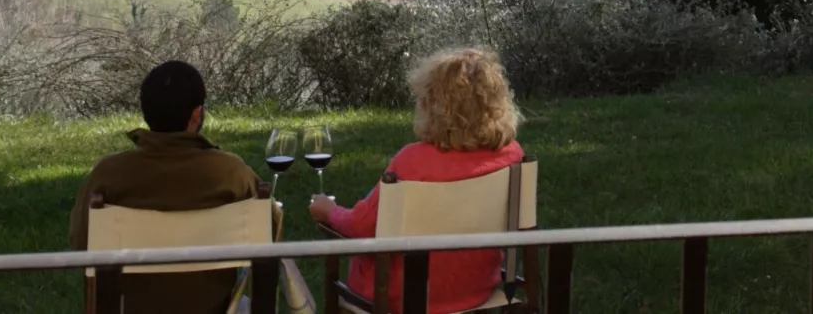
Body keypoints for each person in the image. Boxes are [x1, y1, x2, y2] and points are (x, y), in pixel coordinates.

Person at [308, 48, 524, 314]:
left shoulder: (413, 162)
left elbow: (362, 227)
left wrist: (329, 212)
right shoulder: (512, 155)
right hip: (477, 289)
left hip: (401, 297)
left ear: (431, 106)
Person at [69, 60, 266, 314]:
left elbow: (81, 243)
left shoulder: (107, 175)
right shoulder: (231, 172)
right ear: (196, 115)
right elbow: (267, 235)